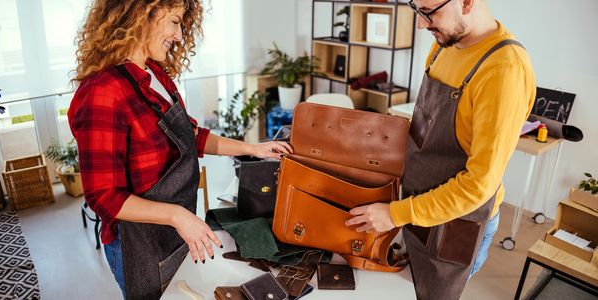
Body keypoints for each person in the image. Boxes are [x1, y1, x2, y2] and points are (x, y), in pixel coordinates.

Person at [68, 1, 292, 299]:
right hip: (138, 243)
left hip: (173, 229)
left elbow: (191, 135)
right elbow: (103, 197)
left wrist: (254, 148)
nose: (179, 35)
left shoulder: (154, 74)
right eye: (174, 22)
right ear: (141, 14)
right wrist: (177, 216)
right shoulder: (103, 91)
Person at [345, 0, 535, 298]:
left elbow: (478, 186)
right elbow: (427, 132)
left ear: (467, 2)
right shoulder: (444, 44)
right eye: (416, 9)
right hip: (418, 207)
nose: (422, 24)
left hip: (457, 223)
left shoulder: (503, 70)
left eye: (429, 12)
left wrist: (397, 214)